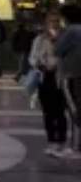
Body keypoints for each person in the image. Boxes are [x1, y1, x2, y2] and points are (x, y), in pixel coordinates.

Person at [28, 12, 69, 157]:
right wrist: (39, 65)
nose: (54, 24)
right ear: (46, 23)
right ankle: (51, 141)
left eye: (57, 21)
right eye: (51, 21)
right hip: (45, 78)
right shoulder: (39, 40)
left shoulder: (64, 39)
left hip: (61, 78)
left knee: (60, 112)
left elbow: (66, 57)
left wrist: (56, 63)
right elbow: (32, 58)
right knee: (48, 112)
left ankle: (62, 142)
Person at [56, 5, 81, 158]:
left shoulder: (71, 31)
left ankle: (76, 146)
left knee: (74, 108)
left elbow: (58, 50)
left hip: (73, 73)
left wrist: (56, 36)